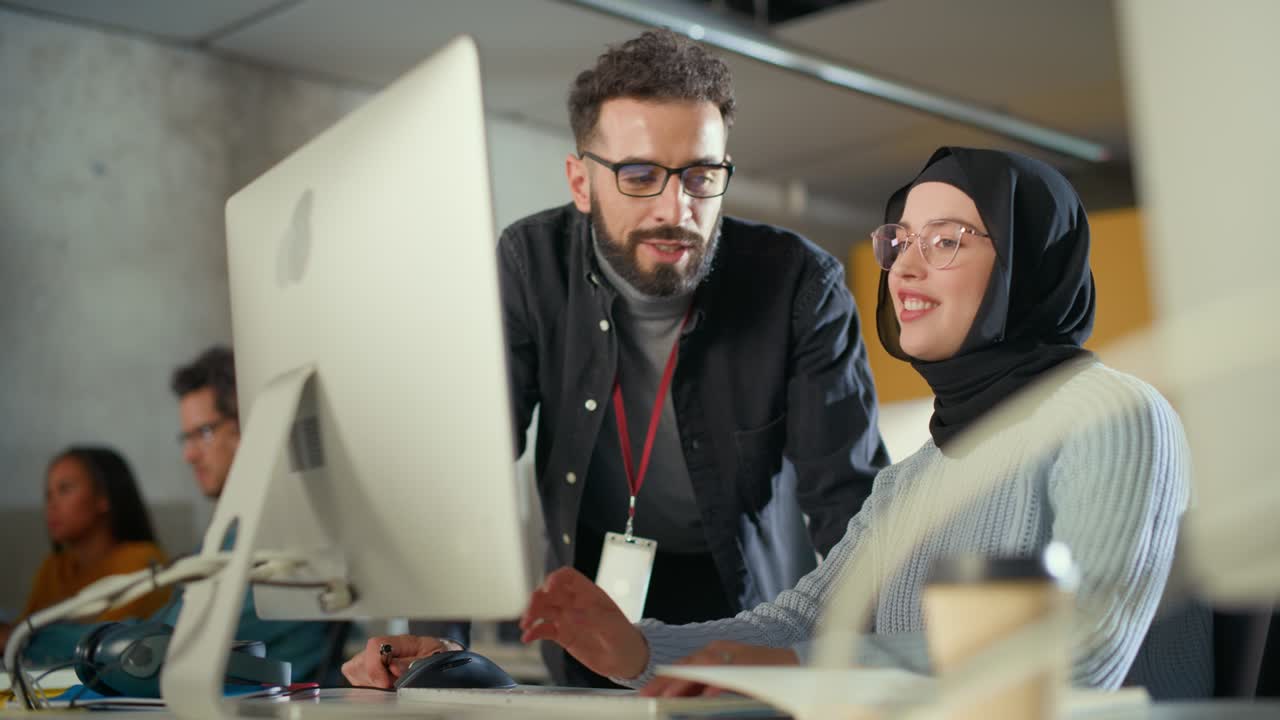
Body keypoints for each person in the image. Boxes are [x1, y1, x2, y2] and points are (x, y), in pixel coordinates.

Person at [499, 147, 1214, 699]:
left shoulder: (1111, 414)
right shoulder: (913, 479)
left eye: (947, 241)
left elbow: (1080, 652)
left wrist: (798, 667)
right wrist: (638, 648)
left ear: (1027, 266)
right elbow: (799, 623)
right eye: (900, 240)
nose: (903, 269)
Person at [342, 29, 889, 688]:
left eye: (700, 175)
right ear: (581, 181)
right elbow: (470, 469)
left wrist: (881, 668)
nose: (675, 208)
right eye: (639, 176)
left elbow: (850, 502)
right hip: (590, 607)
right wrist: (437, 643)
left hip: (741, 617)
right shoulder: (530, 265)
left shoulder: (801, 283)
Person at [18, 347, 333, 683]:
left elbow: (166, 641)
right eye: (187, 437)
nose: (189, 454)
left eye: (205, 433)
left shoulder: (272, 534)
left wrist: (28, 639)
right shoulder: (227, 533)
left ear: (249, 426)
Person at [0, 447, 170, 649]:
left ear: (103, 497)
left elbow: (107, 644)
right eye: (48, 494)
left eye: (65, 489)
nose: (52, 504)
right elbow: (20, 632)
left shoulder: (142, 560)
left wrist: (19, 639)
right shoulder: (53, 566)